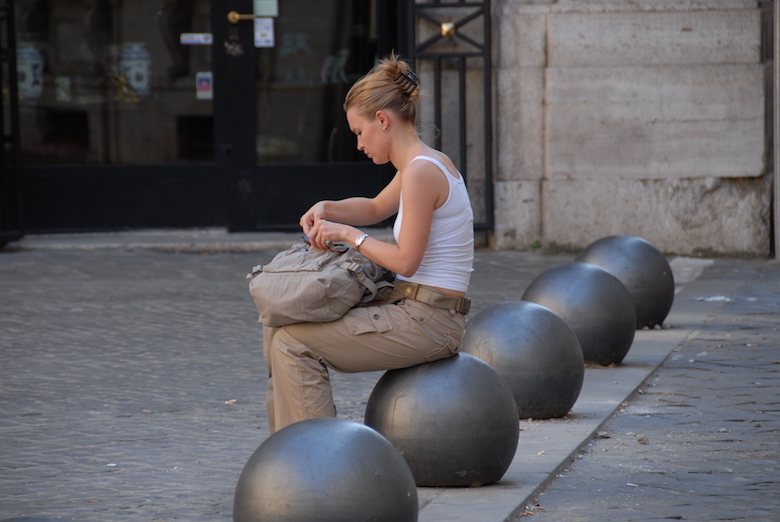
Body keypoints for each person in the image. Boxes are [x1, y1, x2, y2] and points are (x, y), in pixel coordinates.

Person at [263, 54, 474, 434]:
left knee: (292, 342)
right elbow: (376, 207)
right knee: (280, 324)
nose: (359, 144)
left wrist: (347, 235)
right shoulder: (423, 164)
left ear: (382, 120)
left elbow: (406, 261)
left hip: (430, 321)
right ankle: (287, 451)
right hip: (414, 308)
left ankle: (315, 455)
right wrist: (327, 207)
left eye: (359, 132)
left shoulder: (422, 171)